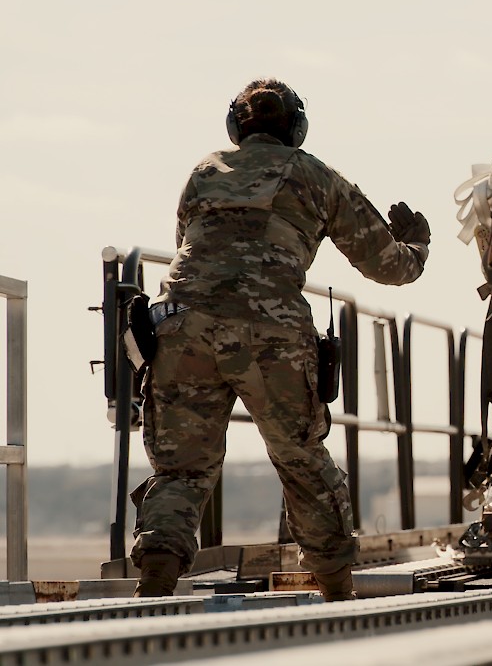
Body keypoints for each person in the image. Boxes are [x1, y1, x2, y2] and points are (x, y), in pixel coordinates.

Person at [130, 79, 430, 600]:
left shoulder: (204, 172)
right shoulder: (315, 175)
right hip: (272, 334)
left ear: (235, 127)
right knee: (300, 457)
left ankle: (156, 580)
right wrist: (417, 245)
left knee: (180, 469)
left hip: (182, 328)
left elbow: (186, 247)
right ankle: (336, 589)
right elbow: (389, 266)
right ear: (297, 128)